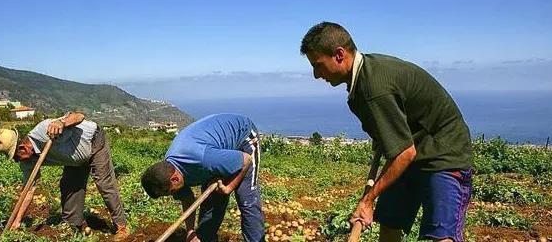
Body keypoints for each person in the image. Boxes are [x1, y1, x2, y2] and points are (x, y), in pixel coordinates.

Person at [299, 22, 473, 242]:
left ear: (339, 54)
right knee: (390, 222)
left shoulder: (374, 88)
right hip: (412, 151)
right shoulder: (361, 82)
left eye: (318, 65)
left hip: (444, 155)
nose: (316, 75)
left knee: (442, 236)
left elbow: (404, 153)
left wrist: (368, 200)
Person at [0, 112, 129, 241]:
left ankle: (121, 227)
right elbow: (28, 190)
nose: (16, 160)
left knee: (104, 184)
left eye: (15, 156)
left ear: (23, 148)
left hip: (94, 143)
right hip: (74, 159)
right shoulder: (27, 161)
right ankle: (80, 227)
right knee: (68, 189)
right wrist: (17, 221)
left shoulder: (44, 130)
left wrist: (62, 122)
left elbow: (79, 116)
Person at [141, 113, 264, 242]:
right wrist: (190, 232)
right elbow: (187, 199)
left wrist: (229, 187)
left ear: (175, 179)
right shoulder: (169, 170)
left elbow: (246, 160)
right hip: (216, 152)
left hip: (243, 137)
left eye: (170, 192)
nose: (173, 194)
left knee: (247, 201)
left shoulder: (203, 159)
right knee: (212, 199)